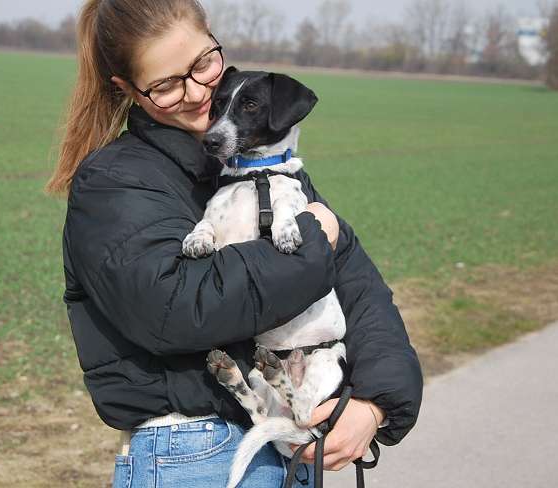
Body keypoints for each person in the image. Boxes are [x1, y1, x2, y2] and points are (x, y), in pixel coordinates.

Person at [45, 1, 423, 487]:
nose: (198, 92)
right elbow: (176, 309)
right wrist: (312, 248)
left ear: (215, 41)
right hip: (196, 454)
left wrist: (374, 404)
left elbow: (360, 290)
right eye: (166, 85)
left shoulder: (264, 168)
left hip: (288, 438)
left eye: (203, 64)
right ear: (128, 89)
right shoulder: (116, 181)